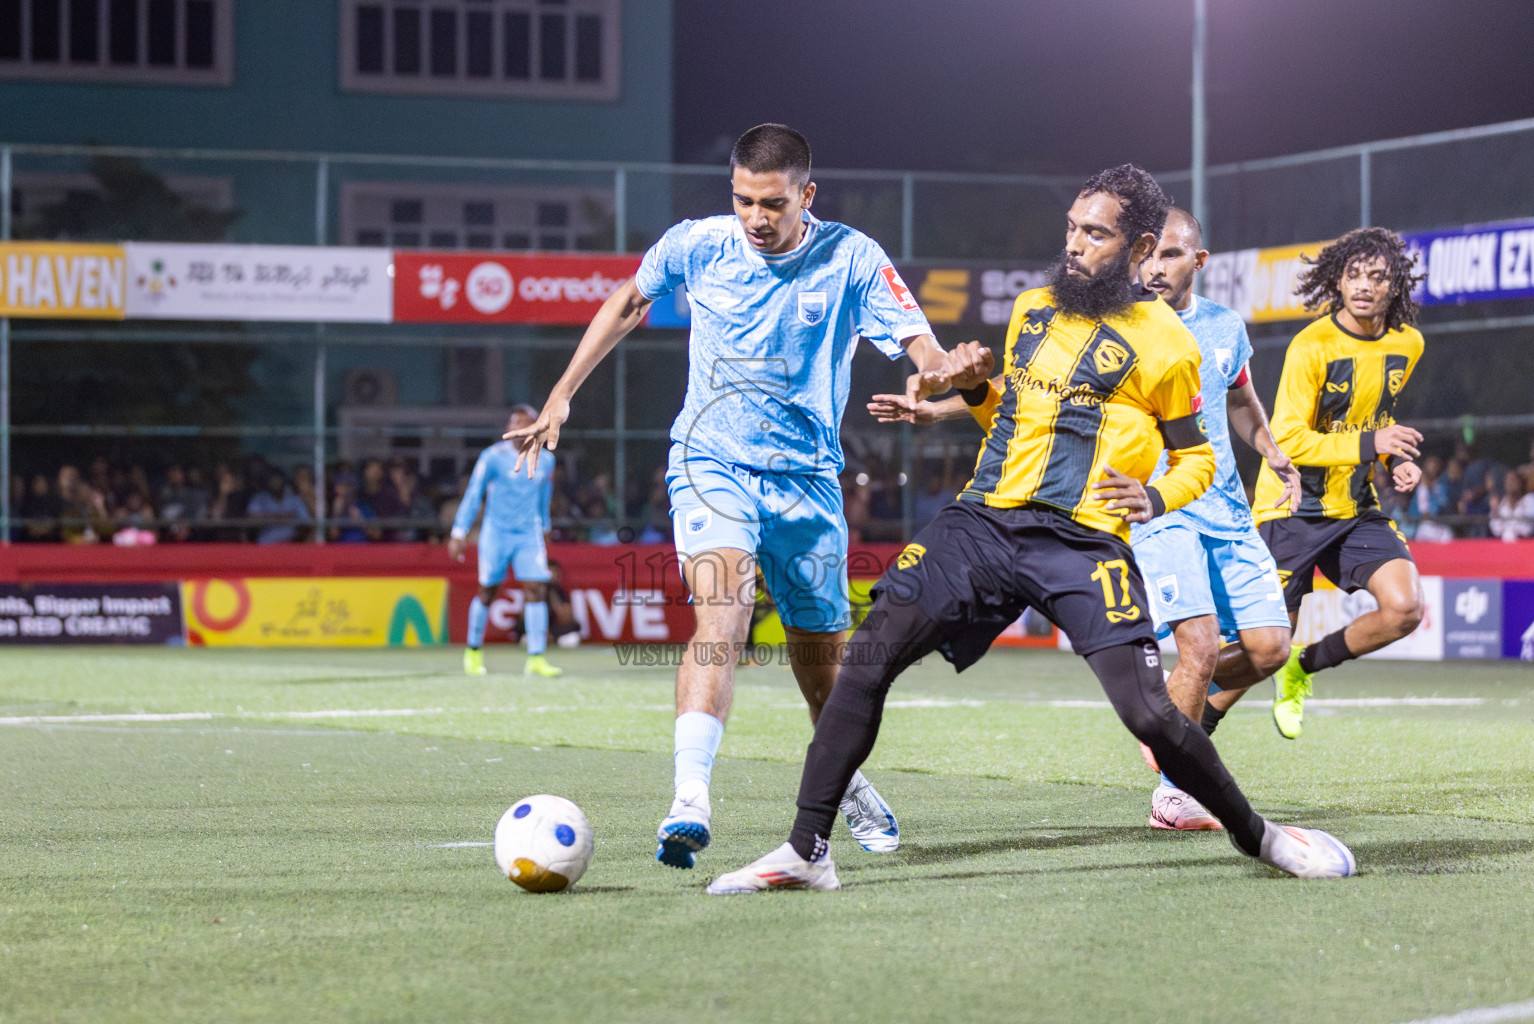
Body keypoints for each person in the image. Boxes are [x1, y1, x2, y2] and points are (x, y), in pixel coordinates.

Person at [708, 165, 1356, 895]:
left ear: (1141, 246)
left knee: (1147, 712)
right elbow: (1011, 423)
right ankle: (806, 850)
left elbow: (1198, 456)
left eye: (1096, 233)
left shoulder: (1171, 344)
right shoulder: (1034, 307)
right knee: (867, 660)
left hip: (1082, 542)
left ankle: (1262, 839)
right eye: (1073, 228)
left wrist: (1155, 494)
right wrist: (976, 386)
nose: (1075, 245)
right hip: (981, 522)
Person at [510, 124, 952, 870]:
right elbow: (627, 301)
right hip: (710, 462)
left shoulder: (851, 257)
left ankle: (843, 783)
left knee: (822, 662)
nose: (755, 217)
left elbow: (923, 347)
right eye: (743, 199)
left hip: (809, 480)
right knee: (725, 608)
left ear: (805, 196)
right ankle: (689, 797)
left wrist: (933, 383)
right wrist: (561, 395)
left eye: (772, 203)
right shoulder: (699, 244)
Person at [869, 207, 1303, 831]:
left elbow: (1240, 400)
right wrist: (941, 409)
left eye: (1172, 257)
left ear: (1197, 262)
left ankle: (1177, 730)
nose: (1156, 269)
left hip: (1225, 505)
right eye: (1151, 256)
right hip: (1148, 501)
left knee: (1268, 650)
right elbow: (1040, 404)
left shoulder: (1223, 329)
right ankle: (1174, 789)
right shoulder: (1109, 324)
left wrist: (1273, 452)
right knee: (1200, 647)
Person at [1253, 227, 1427, 739]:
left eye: (1378, 276)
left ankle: (1303, 668)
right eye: (1354, 274)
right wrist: (1375, 444)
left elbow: (1371, 418)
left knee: (1405, 608)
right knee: (1263, 651)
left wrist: (1394, 460)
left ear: (1395, 286)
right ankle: (1184, 726)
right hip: (1291, 508)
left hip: (1353, 507)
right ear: (1337, 280)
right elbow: (1286, 441)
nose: (1365, 285)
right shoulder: (1312, 346)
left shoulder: (1408, 343)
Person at [450, 406, 562, 679]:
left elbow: (544, 497)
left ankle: (536, 657)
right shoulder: (492, 457)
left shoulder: (546, 461)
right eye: (516, 423)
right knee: (487, 591)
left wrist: (545, 527)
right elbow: (474, 494)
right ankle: (473, 652)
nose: (520, 429)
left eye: (526, 423)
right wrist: (459, 531)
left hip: (528, 534)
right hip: (496, 533)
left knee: (536, 589)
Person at [246, 468, 312, 544]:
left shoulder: (294, 499)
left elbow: (306, 522)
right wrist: (279, 517)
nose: (276, 483)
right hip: (266, 543)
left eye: (278, 480)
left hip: (291, 544)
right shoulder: (260, 498)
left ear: (284, 481)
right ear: (267, 482)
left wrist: (296, 540)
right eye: (272, 480)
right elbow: (252, 518)